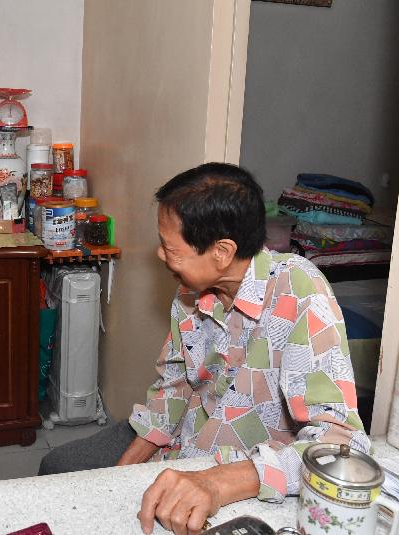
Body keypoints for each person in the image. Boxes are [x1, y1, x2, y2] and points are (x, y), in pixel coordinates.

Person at [38, 163, 369, 535]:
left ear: (222, 252)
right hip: (183, 447)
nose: (160, 256)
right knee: (57, 469)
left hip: (246, 470)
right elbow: (174, 387)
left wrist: (217, 483)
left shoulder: (299, 291)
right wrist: (122, 476)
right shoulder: (190, 294)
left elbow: (340, 446)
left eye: (170, 248)